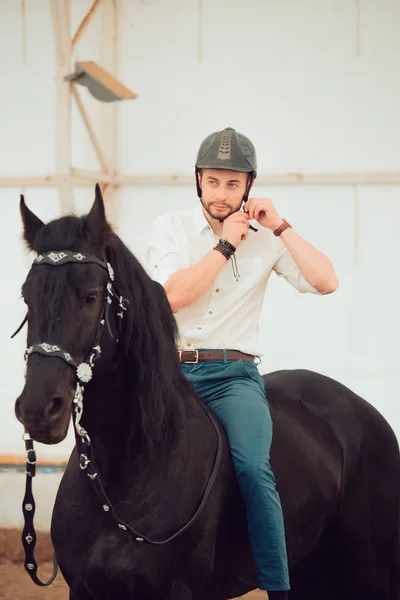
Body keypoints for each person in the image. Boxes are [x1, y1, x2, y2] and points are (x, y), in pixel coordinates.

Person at [146, 127, 338, 600]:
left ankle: (276, 589)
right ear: (198, 181)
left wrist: (281, 227)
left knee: (254, 467)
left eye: (233, 184)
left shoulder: (267, 239)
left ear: (248, 186)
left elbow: (326, 281)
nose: (222, 194)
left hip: (232, 378)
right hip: (168, 374)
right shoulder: (169, 227)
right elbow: (172, 296)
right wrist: (225, 246)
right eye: (213, 182)